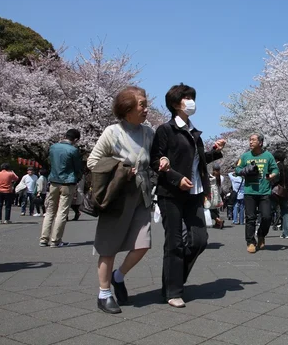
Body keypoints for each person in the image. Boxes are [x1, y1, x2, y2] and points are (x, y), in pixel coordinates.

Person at [150, 83, 225, 308]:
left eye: (192, 97)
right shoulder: (166, 130)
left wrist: (216, 150)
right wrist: (175, 177)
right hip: (170, 194)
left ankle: (172, 281)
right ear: (175, 104)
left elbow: (199, 161)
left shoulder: (194, 132)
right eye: (186, 98)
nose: (191, 101)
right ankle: (173, 291)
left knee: (199, 240)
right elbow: (156, 160)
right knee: (174, 242)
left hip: (194, 192)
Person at [88, 86, 155, 314]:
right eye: (142, 104)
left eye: (146, 104)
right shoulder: (112, 132)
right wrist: (122, 170)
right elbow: (92, 162)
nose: (146, 108)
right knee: (109, 247)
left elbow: (155, 160)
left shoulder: (148, 133)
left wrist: (162, 160)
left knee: (143, 244)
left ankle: (119, 276)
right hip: (116, 197)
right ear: (127, 110)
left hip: (141, 196)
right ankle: (104, 293)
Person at [235, 133, 279, 254]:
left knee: (267, 216)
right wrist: (244, 170)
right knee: (250, 218)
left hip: (264, 191)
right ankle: (250, 242)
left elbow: (275, 169)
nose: (250, 142)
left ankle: (261, 235)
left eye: (253, 140)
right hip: (249, 191)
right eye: (250, 140)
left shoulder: (268, 156)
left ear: (260, 142)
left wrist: (271, 176)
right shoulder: (245, 156)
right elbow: (237, 170)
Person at [40, 129, 82, 248]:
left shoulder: (53, 147)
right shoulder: (73, 150)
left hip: (53, 181)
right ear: (75, 139)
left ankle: (44, 238)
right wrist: (78, 177)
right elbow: (77, 167)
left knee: (50, 211)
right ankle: (55, 240)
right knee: (62, 211)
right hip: (67, 182)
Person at [271, 150, 288, 239]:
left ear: (275, 158)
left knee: (268, 210)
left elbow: (275, 179)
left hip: (276, 191)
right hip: (285, 191)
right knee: (285, 212)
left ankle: (261, 230)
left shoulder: (275, 167)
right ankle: (286, 232)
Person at [208, 165, 225, 229]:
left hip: (211, 194)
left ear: (213, 169)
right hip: (217, 194)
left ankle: (218, 220)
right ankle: (217, 223)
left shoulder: (210, 176)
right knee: (215, 209)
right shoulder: (221, 177)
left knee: (208, 208)